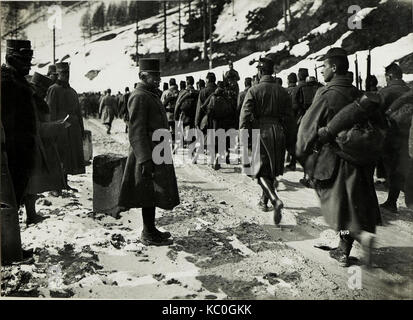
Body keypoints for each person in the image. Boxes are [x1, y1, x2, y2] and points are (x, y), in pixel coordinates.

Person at [296, 47, 381, 267]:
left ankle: (345, 250)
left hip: (334, 159)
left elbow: (307, 127)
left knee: (337, 205)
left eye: (324, 66)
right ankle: (345, 247)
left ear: (334, 68)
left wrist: (302, 152)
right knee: (352, 205)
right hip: (358, 158)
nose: (322, 70)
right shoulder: (356, 92)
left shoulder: (326, 93)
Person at [118, 58, 180, 246]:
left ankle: (151, 229)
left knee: (152, 191)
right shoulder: (139, 96)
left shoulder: (150, 94)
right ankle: (147, 233)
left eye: (159, 76)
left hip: (156, 150)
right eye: (154, 76)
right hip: (146, 153)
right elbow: (136, 130)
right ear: (142, 76)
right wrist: (145, 159)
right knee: (147, 191)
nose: (158, 79)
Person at [239, 55, 294, 224]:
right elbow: (290, 117)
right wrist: (289, 139)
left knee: (259, 171)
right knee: (270, 170)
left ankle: (274, 199)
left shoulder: (254, 90)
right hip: (278, 132)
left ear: (260, 71)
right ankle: (264, 201)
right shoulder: (283, 91)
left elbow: (245, 116)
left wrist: (244, 137)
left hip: (260, 132)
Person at [24, 72, 67, 225]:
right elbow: (38, 128)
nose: (44, 94)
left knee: (31, 185)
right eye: (43, 91)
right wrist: (58, 126)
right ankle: (30, 215)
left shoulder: (34, 101)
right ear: (37, 88)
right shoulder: (30, 103)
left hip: (32, 145)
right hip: (29, 146)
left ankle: (31, 214)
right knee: (29, 184)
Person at [1, 39, 37, 206]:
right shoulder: (7, 84)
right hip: (10, 162)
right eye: (25, 61)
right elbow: (8, 129)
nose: (29, 65)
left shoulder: (18, 82)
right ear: (11, 58)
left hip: (18, 160)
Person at [46, 62, 85, 191]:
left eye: (67, 73)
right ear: (58, 74)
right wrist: (52, 129)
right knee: (58, 155)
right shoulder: (53, 89)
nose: (66, 76)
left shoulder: (72, 91)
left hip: (72, 130)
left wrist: (81, 128)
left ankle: (64, 183)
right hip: (60, 128)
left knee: (68, 157)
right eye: (63, 73)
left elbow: (78, 112)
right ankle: (55, 186)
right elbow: (51, 111)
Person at [379, 63, 410, 213]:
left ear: (389, 76)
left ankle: (391, 202)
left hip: (390, 135)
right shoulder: (408, 91)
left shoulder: (385, 92)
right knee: (402, 168)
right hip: (407, 136)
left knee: (391, 169)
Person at [207, 81, 237, 169]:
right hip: (225, 123)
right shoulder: (227, 97)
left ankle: (215, 158)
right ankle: (222, 156)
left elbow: (209, 110)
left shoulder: (213, 97)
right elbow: (232, 110)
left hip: (215, 123)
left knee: (214, 141)